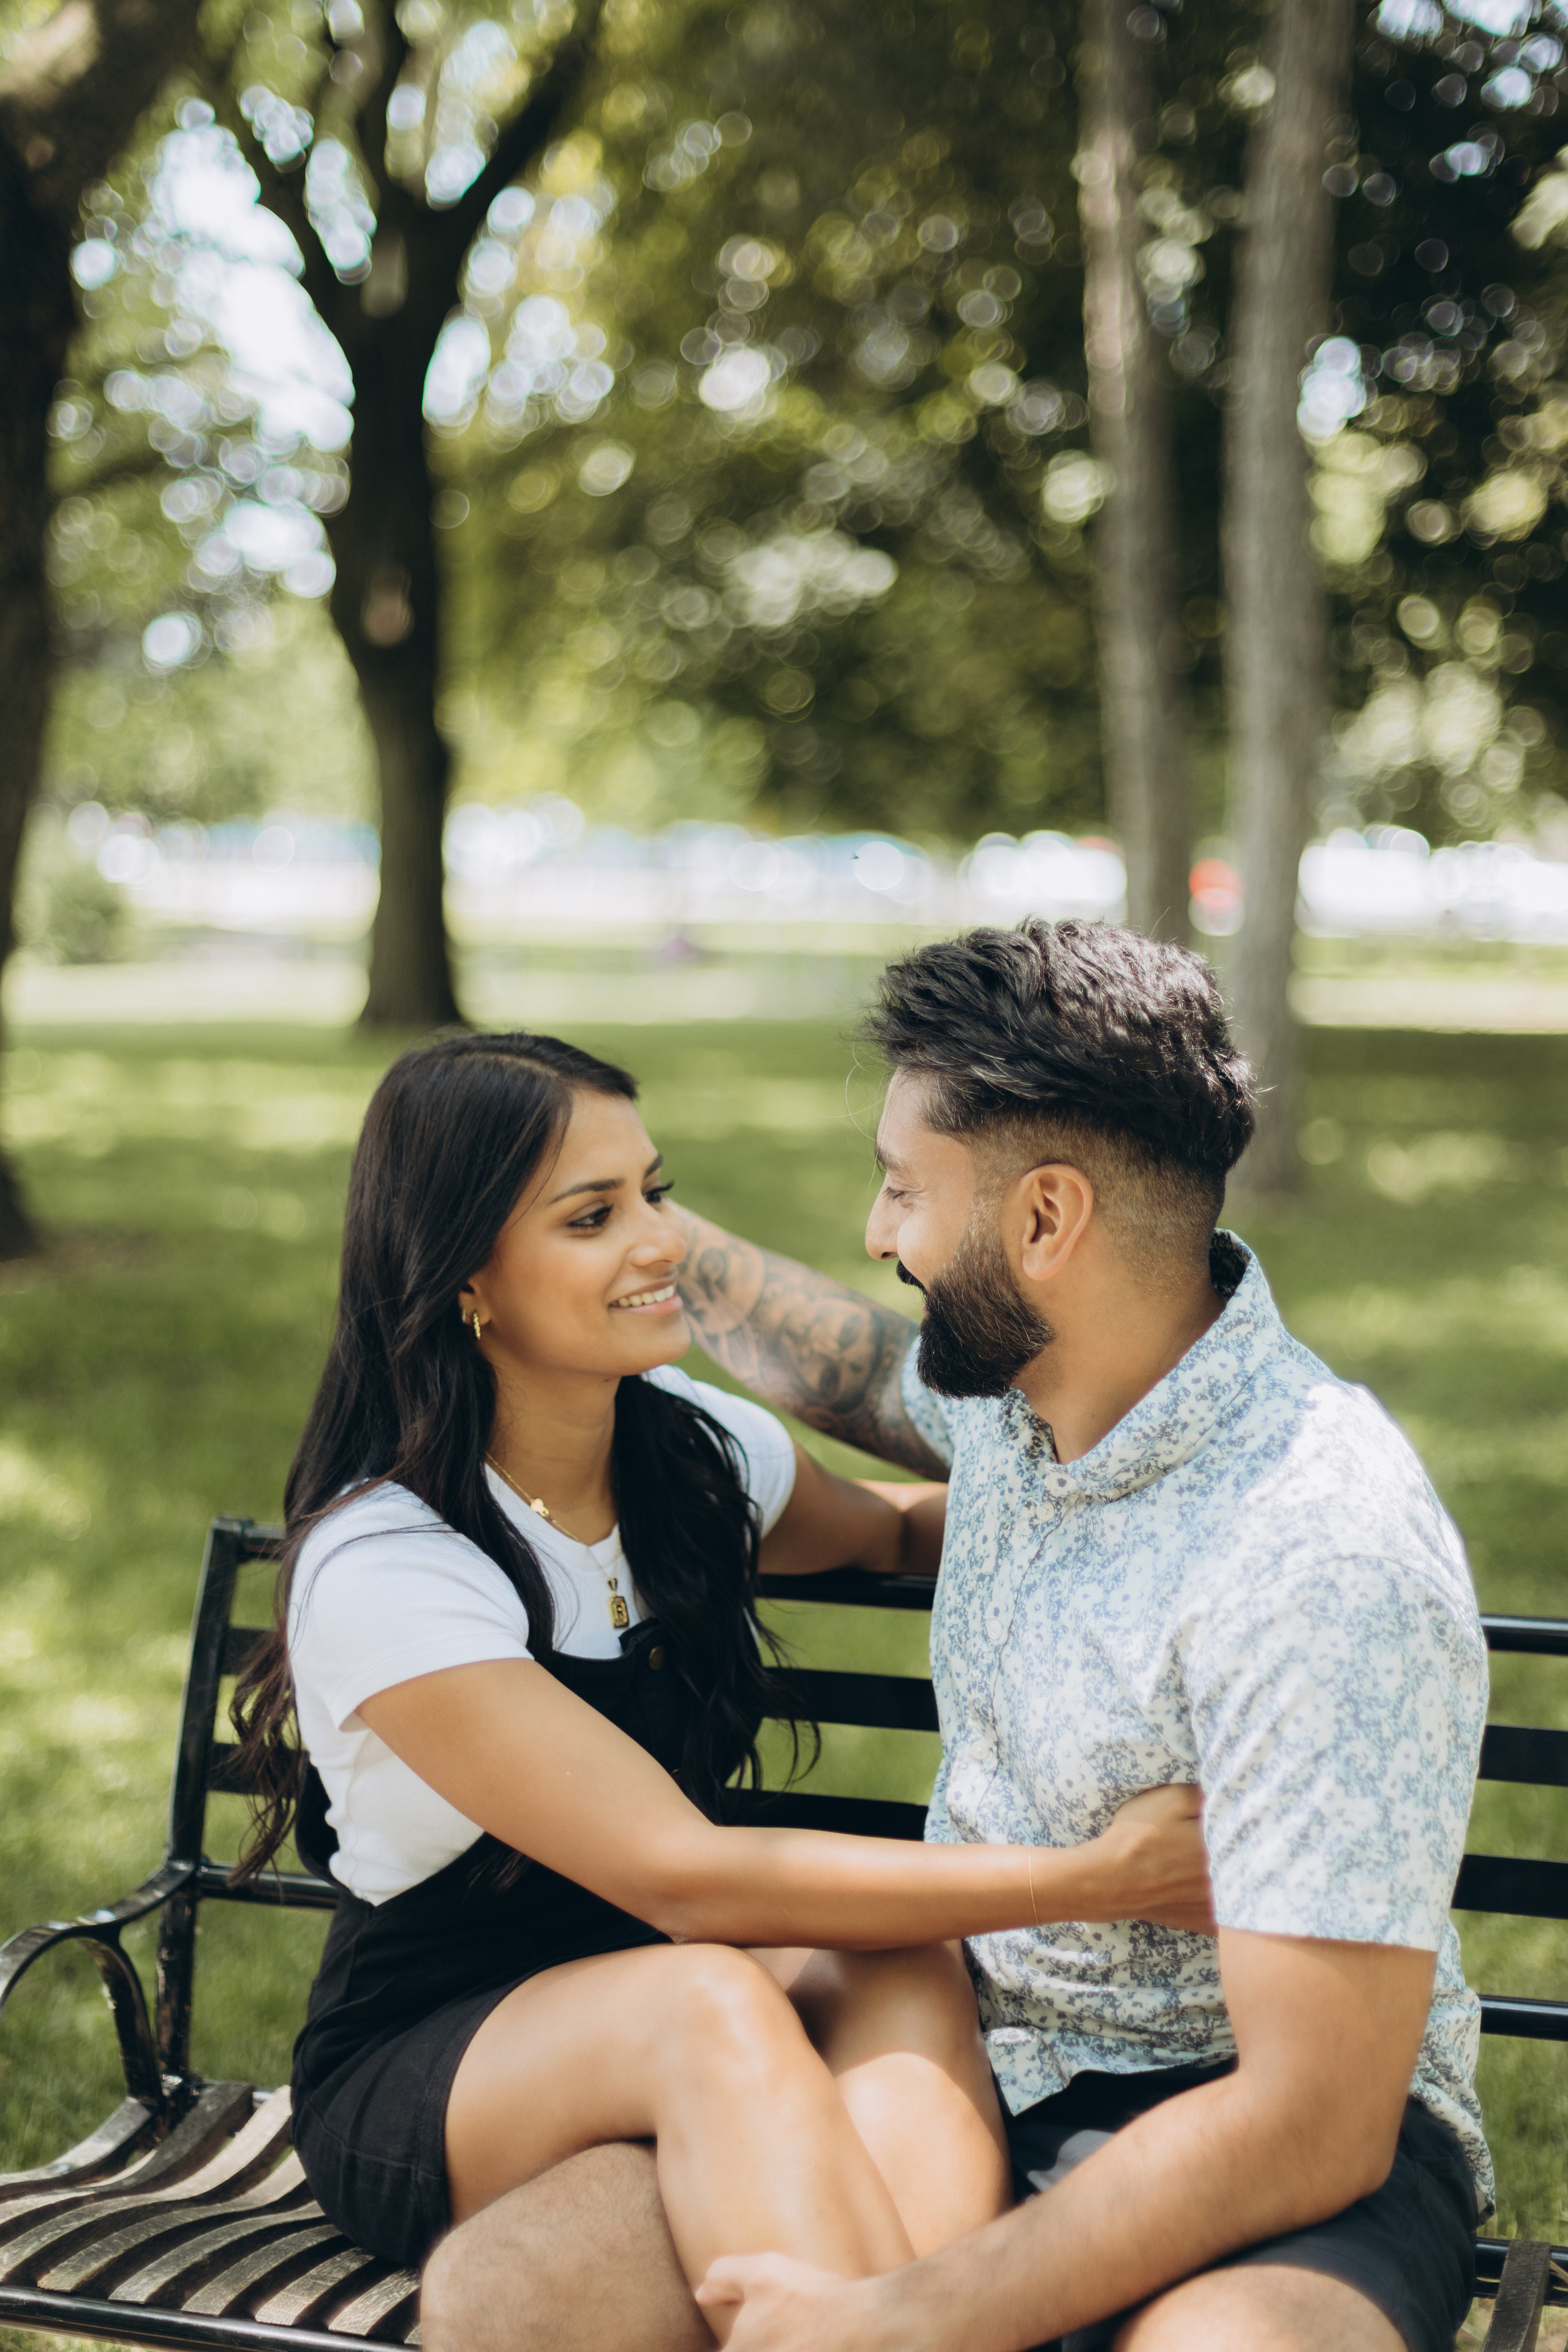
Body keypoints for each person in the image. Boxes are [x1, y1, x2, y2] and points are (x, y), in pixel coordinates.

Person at [426, 922, 1490, 2352]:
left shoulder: (1317, 1553)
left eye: (899, 1188)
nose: (872, 1233)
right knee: (514, 2294)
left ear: (1044, 1220)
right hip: (948, 2046)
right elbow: (852, 1367)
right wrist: (615, 1218)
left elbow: (1310, 2124)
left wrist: (911, 2313)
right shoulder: (1020, 1396)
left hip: (1242, 2130)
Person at [230, 1027, 1213, 2342]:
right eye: (592, 1217)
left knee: (891, 1959)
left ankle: (909, 2320)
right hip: (439, 2048)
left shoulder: (696, 1455)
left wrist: (1156, 1536)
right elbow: (682, 1877)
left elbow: (909, 1530)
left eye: (654, 1191)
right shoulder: (393, 1562)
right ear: (467, 1278)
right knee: (702, 2000)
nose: (659, 1243)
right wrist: (1099, 1875)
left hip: (667, 1981)